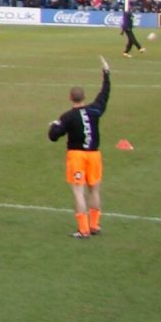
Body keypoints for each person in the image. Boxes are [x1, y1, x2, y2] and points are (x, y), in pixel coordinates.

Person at [49, 57, 113, 240]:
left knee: (78, 192)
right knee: (94, 189)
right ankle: (94, 225)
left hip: (77, 156)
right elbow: (104, 95)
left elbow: (53, 136)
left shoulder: (68, 117)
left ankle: (83, 229)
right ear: (84, 98)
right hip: (94, 154)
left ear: (70, 98)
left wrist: (54, 125)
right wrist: (106, 74)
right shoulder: (95, 111)